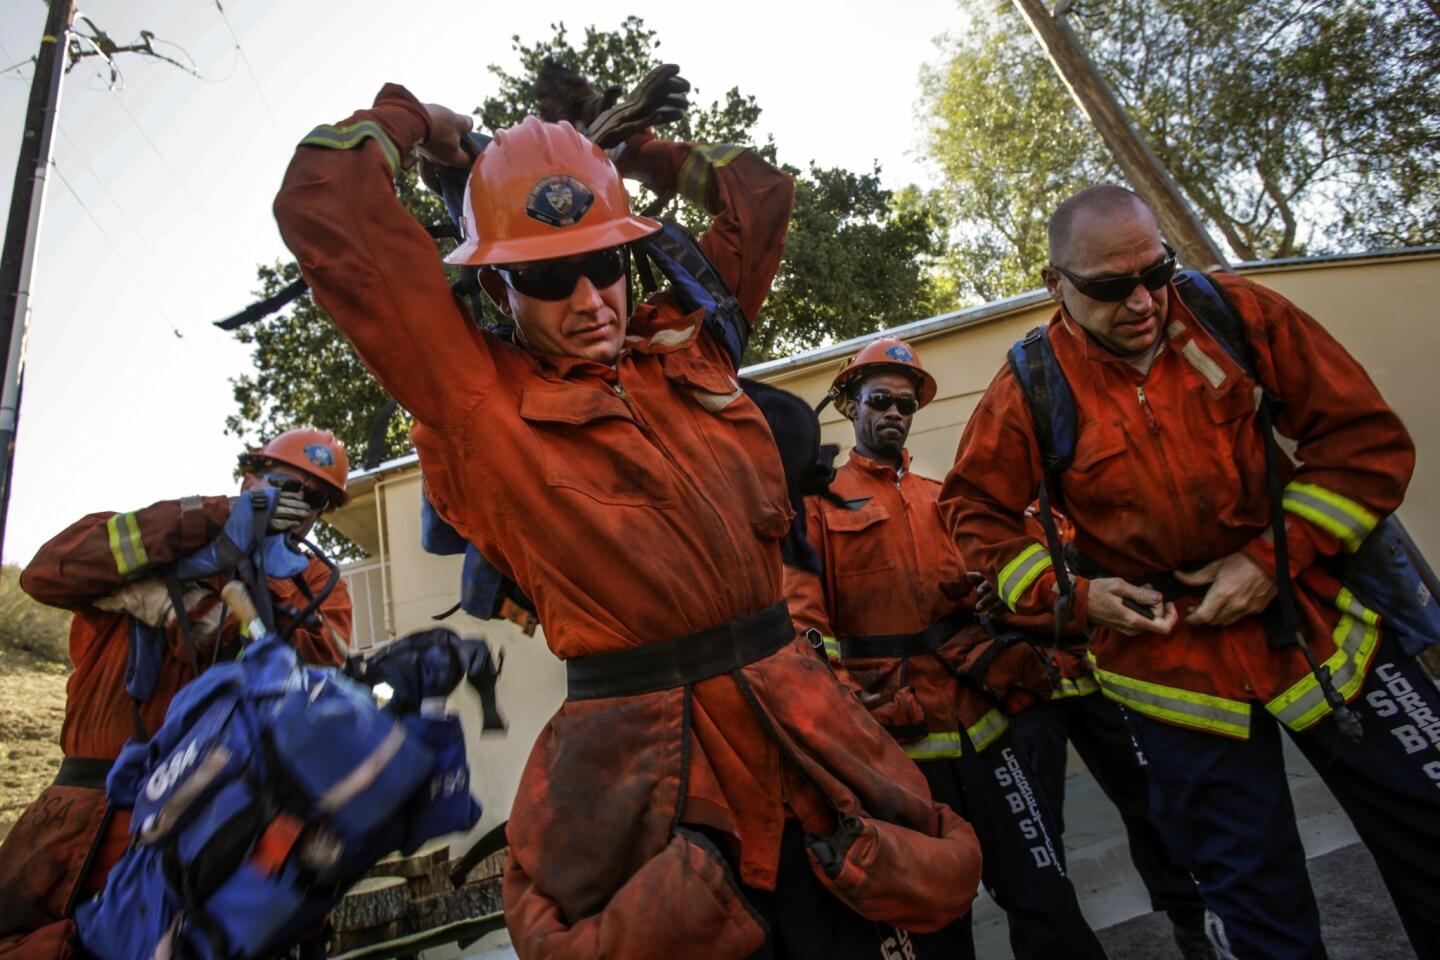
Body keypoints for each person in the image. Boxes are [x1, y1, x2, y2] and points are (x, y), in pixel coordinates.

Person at [273, 75, 979, 959]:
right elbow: (325, 206)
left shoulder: (695, 345)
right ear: (498, 293)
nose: (588, 298)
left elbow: (758, 197)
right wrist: (417, 126)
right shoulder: (477, 404)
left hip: (805, 731)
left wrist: (636, 154)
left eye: (604, 262)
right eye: (546, 276)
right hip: (651, 779)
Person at [944, 183, 1440, 959]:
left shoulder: (1237, 315)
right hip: (1171, 672)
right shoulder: (1030, 386)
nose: (1143, 301)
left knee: (1430, 825)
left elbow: (1366, 444)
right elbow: (973, 512)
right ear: (1056, 286)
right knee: (1252, 900)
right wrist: (1071, 596)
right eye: (1111, 287)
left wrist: (1271, 559)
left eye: (1156, 271)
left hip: (1317, 629)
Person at [786, 336, 1107, 960]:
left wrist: (993, 598)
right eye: (880, 400)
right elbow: (804, 623)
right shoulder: (815, 507)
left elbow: (986, 584)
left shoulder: (942, 498)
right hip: (896, 746)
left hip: (983, 725)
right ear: (852, 405)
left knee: (1043, 888)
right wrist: (843, 713)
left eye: (906, 406)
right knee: (935, 917)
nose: (894, 415)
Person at [0, 427, 354, 960]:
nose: (299, 505)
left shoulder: (316, 583)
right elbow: (47, 573)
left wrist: (259, 596)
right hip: (86, 817)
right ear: (250, 478)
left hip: (209, 818)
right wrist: (209, 522)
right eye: (285, 486)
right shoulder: (160, 539)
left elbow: (323, 670)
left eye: (316, 498)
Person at [1005, 504, 1214, 958]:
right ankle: (1061, 945)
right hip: (1034, 687)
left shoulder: (1069, 506)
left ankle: (1191, 923)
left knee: (1147, 801)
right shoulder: (992, 516)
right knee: (1041, 827)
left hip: (1099, 676)